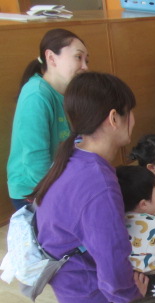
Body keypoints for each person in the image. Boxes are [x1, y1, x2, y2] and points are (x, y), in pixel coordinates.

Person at [32, 73, 155, 303]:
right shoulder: (98, 183)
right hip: (92, 292)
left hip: (70, 286)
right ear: (114, 118)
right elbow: (112, 257)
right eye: (130, 112)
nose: (133, 120)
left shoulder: (74, 152)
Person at [7, 29, 88, 210]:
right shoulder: (36, 95)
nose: (85, 66)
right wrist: (61, 196)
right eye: (78, 57)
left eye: (86, 60)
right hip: (34, 190)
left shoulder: (66, 93)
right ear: (51, 58)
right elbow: (36, 160)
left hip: (55, 182)